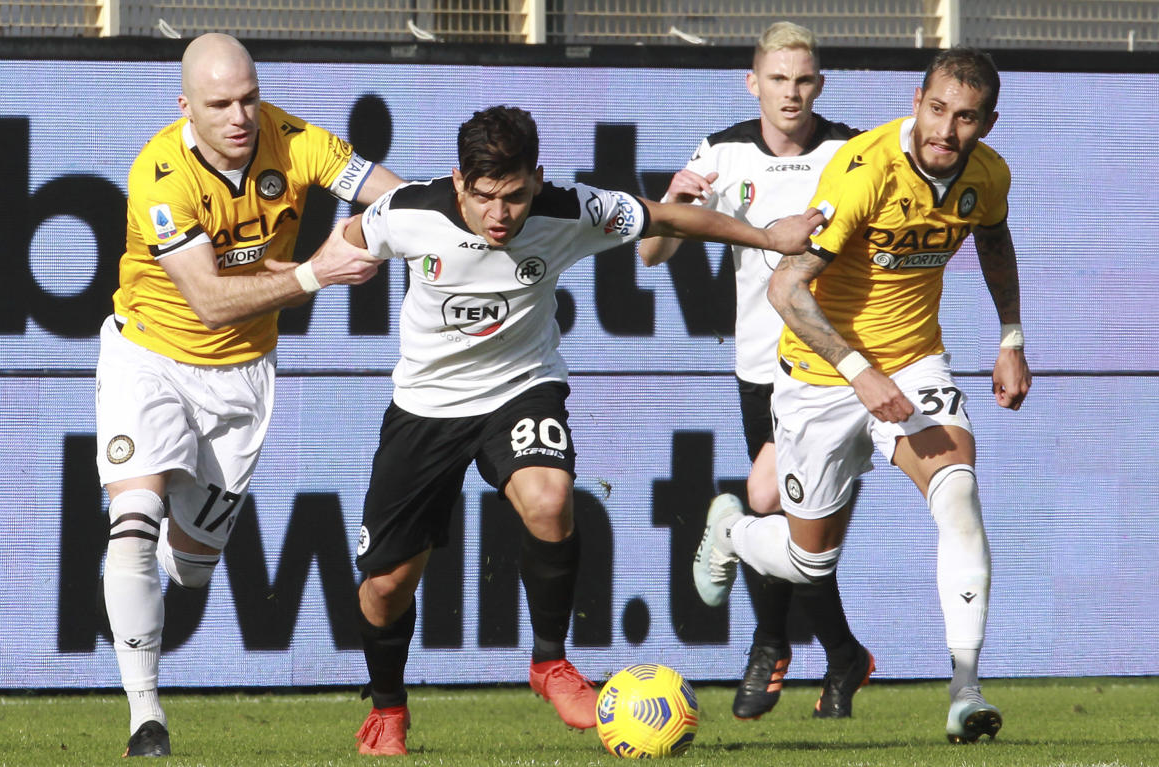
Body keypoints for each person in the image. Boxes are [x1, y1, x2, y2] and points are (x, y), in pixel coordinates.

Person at [338, 105, 824, 756]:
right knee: (387, 586)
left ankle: (549, 661)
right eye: (484, 197)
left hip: (521, 385)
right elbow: (341, 244)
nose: (500, 214)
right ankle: (390, 705)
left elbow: (669, 216)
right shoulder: (406, 212)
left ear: (536, 179)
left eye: (514, 196)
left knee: (550, 497)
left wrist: (771, 237)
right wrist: (322, 270)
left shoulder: (572, 210)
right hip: (426, 406)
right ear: (459, 184)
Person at [694, 47, 1029, 744]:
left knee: (959, 492)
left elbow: (993, 240)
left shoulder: (988, 175)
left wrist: (1010, 337)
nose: (947, 130)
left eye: (966, 118)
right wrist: (855, 369)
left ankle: (965, 692)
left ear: (987, 122)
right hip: (820, 376)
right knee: (809, 559)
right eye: (937, 110)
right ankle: (731, 529)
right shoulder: (863, 171)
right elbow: (785, 287)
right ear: (917, 101)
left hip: (912, 364)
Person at [96, 32, 402, 757]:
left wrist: (441, 222)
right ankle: (146, 717)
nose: (239, 117)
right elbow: (205, 299)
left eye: (248, 98)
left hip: (242, 379)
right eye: (219, 104)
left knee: (194, 566)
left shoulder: (296, 141)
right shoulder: (161, 176)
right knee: (132, 522)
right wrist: (316, 272)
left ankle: (156, 571)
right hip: (152, 354)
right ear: (185, 107)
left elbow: (392, 197)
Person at [639, 21, 873, 722]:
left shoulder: (851, 153)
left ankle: (775, 644)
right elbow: (650, 256)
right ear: (754, 83)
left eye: (803, 80)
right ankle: (835, 651)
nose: (791, 93)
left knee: (778, 508)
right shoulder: (722, 153)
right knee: (795, 523)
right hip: (761, 370)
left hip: (836, 365)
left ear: (820, 85)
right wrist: (673, 202)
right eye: (778, 79)